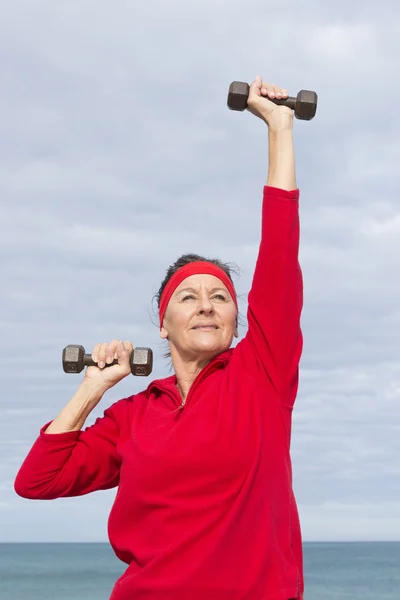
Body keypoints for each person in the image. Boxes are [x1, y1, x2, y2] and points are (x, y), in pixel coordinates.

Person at [14, 75, 305, 600]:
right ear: (162, 320)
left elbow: (280, 251)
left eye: (220, 297)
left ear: (238, 319)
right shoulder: (132, 418)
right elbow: (38, 482)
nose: (206, 306)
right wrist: (93, 389)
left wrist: (279, 129)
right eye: (188, 297)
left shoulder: (260, 375)